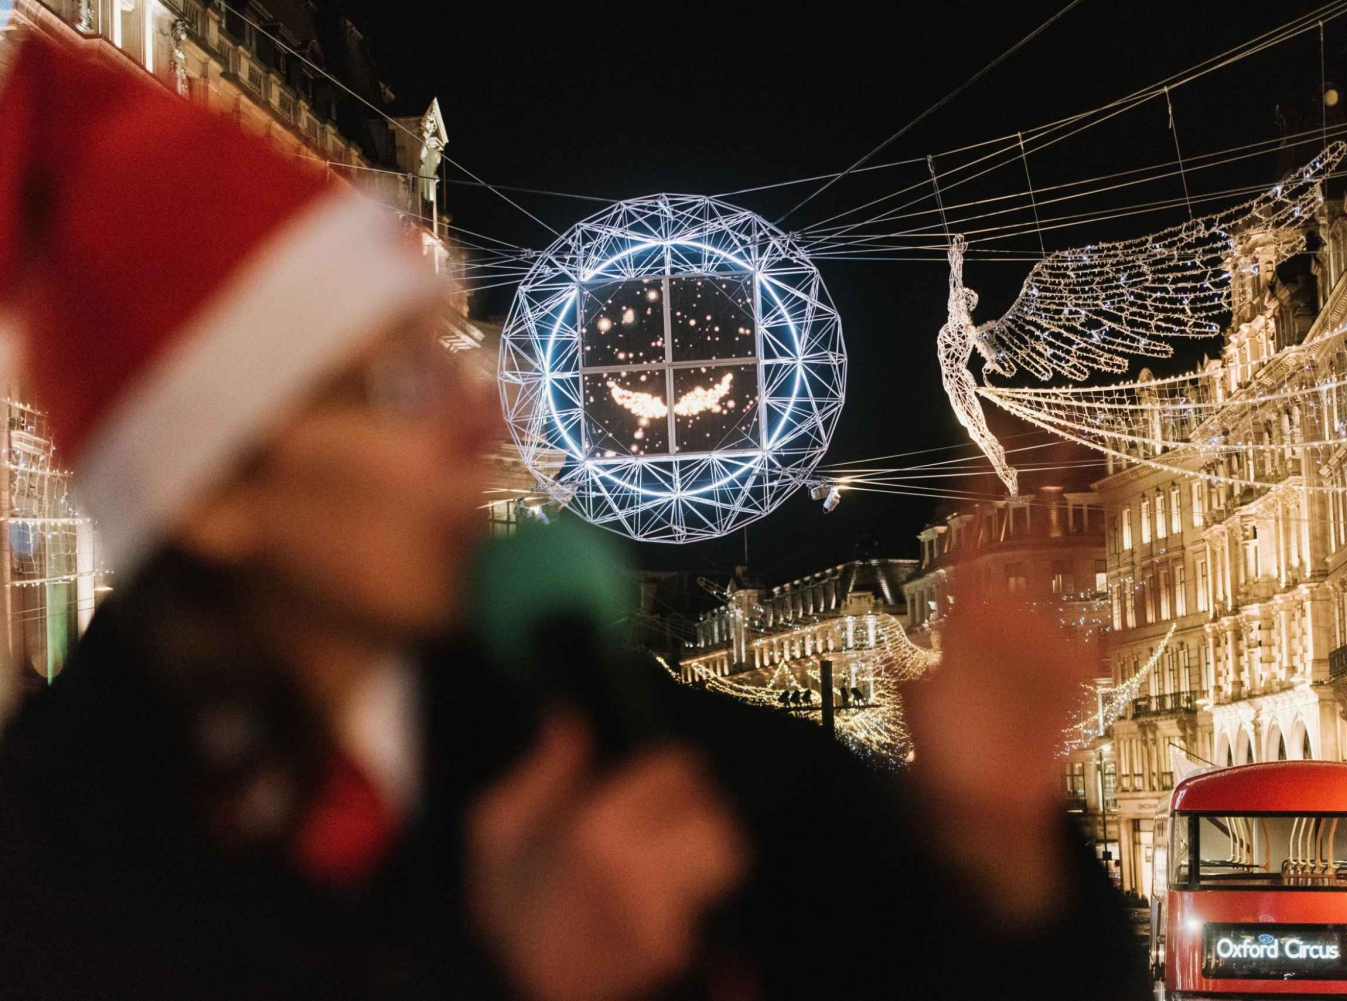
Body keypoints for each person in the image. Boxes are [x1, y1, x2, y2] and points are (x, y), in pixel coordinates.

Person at [0, 30, 1147, 1001]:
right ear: (216, 495)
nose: (489, 432)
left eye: (461, 368)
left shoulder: (620, 734)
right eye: (401, 385)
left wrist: (994, 843)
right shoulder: (50, 865)